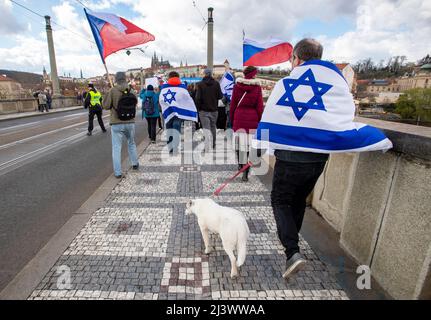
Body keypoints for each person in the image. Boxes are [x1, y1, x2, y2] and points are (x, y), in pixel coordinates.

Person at [270, 39, 330, 278]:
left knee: (281, 200)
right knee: (298, 201)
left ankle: (292, 252)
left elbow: (269, 118)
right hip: (318, 158)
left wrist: (257, 149)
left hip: (290, 157)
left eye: (291, 59)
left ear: (297, 58)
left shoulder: (285, 84)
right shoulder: (334, 86)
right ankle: (292, 244)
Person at [230, 66, 264, 182]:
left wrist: (231, 120)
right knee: (249, 147)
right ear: (253, 74)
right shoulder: (257, 88)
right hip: (252, 120)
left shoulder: (236, 86)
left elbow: (233, 105)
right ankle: (245, 172)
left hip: (238, 118)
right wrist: (260, 120)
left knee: (239, 145)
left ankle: (240, 164)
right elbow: (259, 107)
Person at [103, 72, 139, 179]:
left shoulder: (113, 90)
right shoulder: (131, 90)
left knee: (116, 147)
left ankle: (118, 172)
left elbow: (106, 106)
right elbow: (135, 102)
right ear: (125, 79)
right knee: (131, 143)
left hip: (116, 122)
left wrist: (108, 93)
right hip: (130, 121)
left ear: (116, 80)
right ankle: (135, 163)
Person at [195, 68, 223, 150]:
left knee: (206, 128)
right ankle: (213, 144)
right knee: (213, 127)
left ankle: (207, 145)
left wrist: (198, 108)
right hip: (214, 109)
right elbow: (220, 96)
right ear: (211, 74)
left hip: (203, 110)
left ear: (204, 74)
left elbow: (198, 98)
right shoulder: (216, 84)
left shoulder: (200, 84)